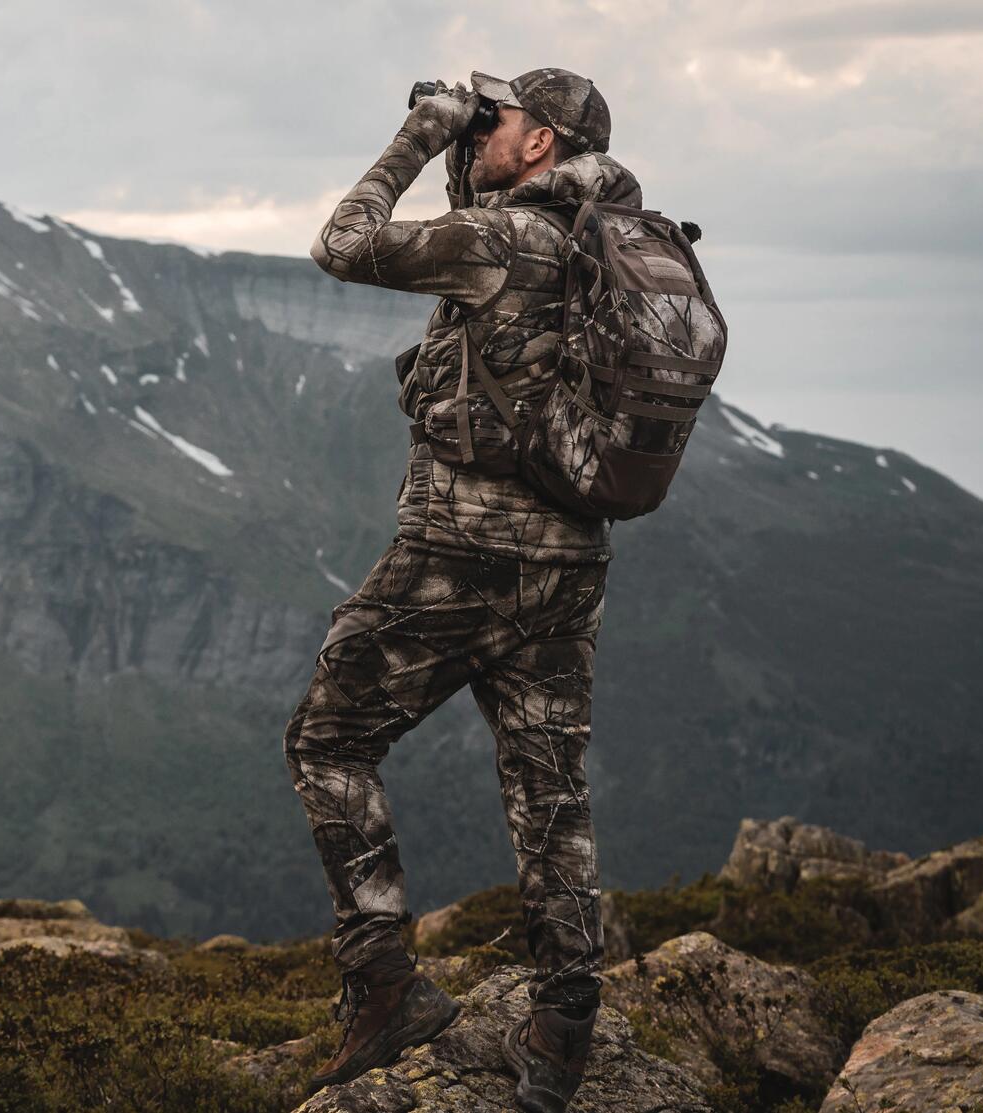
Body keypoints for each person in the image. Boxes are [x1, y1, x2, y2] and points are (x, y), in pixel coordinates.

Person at [286, 68, 626, 1112]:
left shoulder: (505, 244)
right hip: (572, 559)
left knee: (329, 741)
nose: (488, 129)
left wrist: (418, 134)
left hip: (466, 548)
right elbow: (487, 253)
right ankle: (562, 1033)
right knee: (548, 791)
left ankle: (386, 986)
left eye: (503, 120)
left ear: (540, 145)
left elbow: (344, 246)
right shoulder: (599, 238)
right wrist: (463, 149)